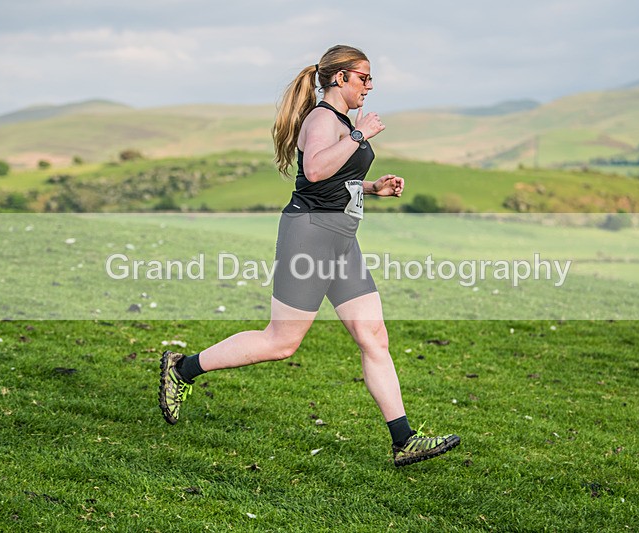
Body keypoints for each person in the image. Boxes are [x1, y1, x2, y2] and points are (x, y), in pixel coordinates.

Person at [158, 44, 459, 467]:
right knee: (281, 342)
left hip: (341, 240)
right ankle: (181, 369)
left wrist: (373, 187)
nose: (370, 86)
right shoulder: (322, 119)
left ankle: (404, 440)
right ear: (340, 78)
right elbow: (315, 170)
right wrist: (360, 135)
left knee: (374, 336)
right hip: (310, 236)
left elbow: (333, 179)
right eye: (364, 78)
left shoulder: (342, 122)